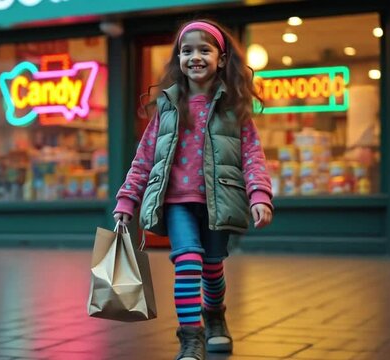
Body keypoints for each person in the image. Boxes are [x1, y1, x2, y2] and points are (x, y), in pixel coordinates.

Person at [113, 19, 274, 360]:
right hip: (177, 203)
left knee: (212, 267)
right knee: (187, 262)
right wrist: (128, 197)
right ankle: (191, 337)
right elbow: (144, 158)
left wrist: (259, 195)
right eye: (187, 51)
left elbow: (252, 156)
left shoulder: (234, 108)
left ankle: (215, 316)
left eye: (204, 50)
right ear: (178, 59)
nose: (195, 57)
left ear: (221, 58)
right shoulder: (167, 107)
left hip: (221, 201)